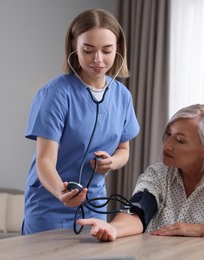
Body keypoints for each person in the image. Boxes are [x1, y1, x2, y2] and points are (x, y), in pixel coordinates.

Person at [77, 104, 204, 241]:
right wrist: (114, 229)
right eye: (168, 134)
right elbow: (139, 210)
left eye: (180, 140)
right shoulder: (158, 175)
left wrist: (200, 229)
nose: (166, 145)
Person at [22, 9, 140, 235]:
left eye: (107, 51)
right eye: (88, 50)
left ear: (118, 49)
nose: (98, 60)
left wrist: (112, 162)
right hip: (50, 205)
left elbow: (124, 150)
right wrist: (61, 193)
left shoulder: (122, 96)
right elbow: (44, 161)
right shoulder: (55, 94)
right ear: (74, 46)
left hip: (94, 205)